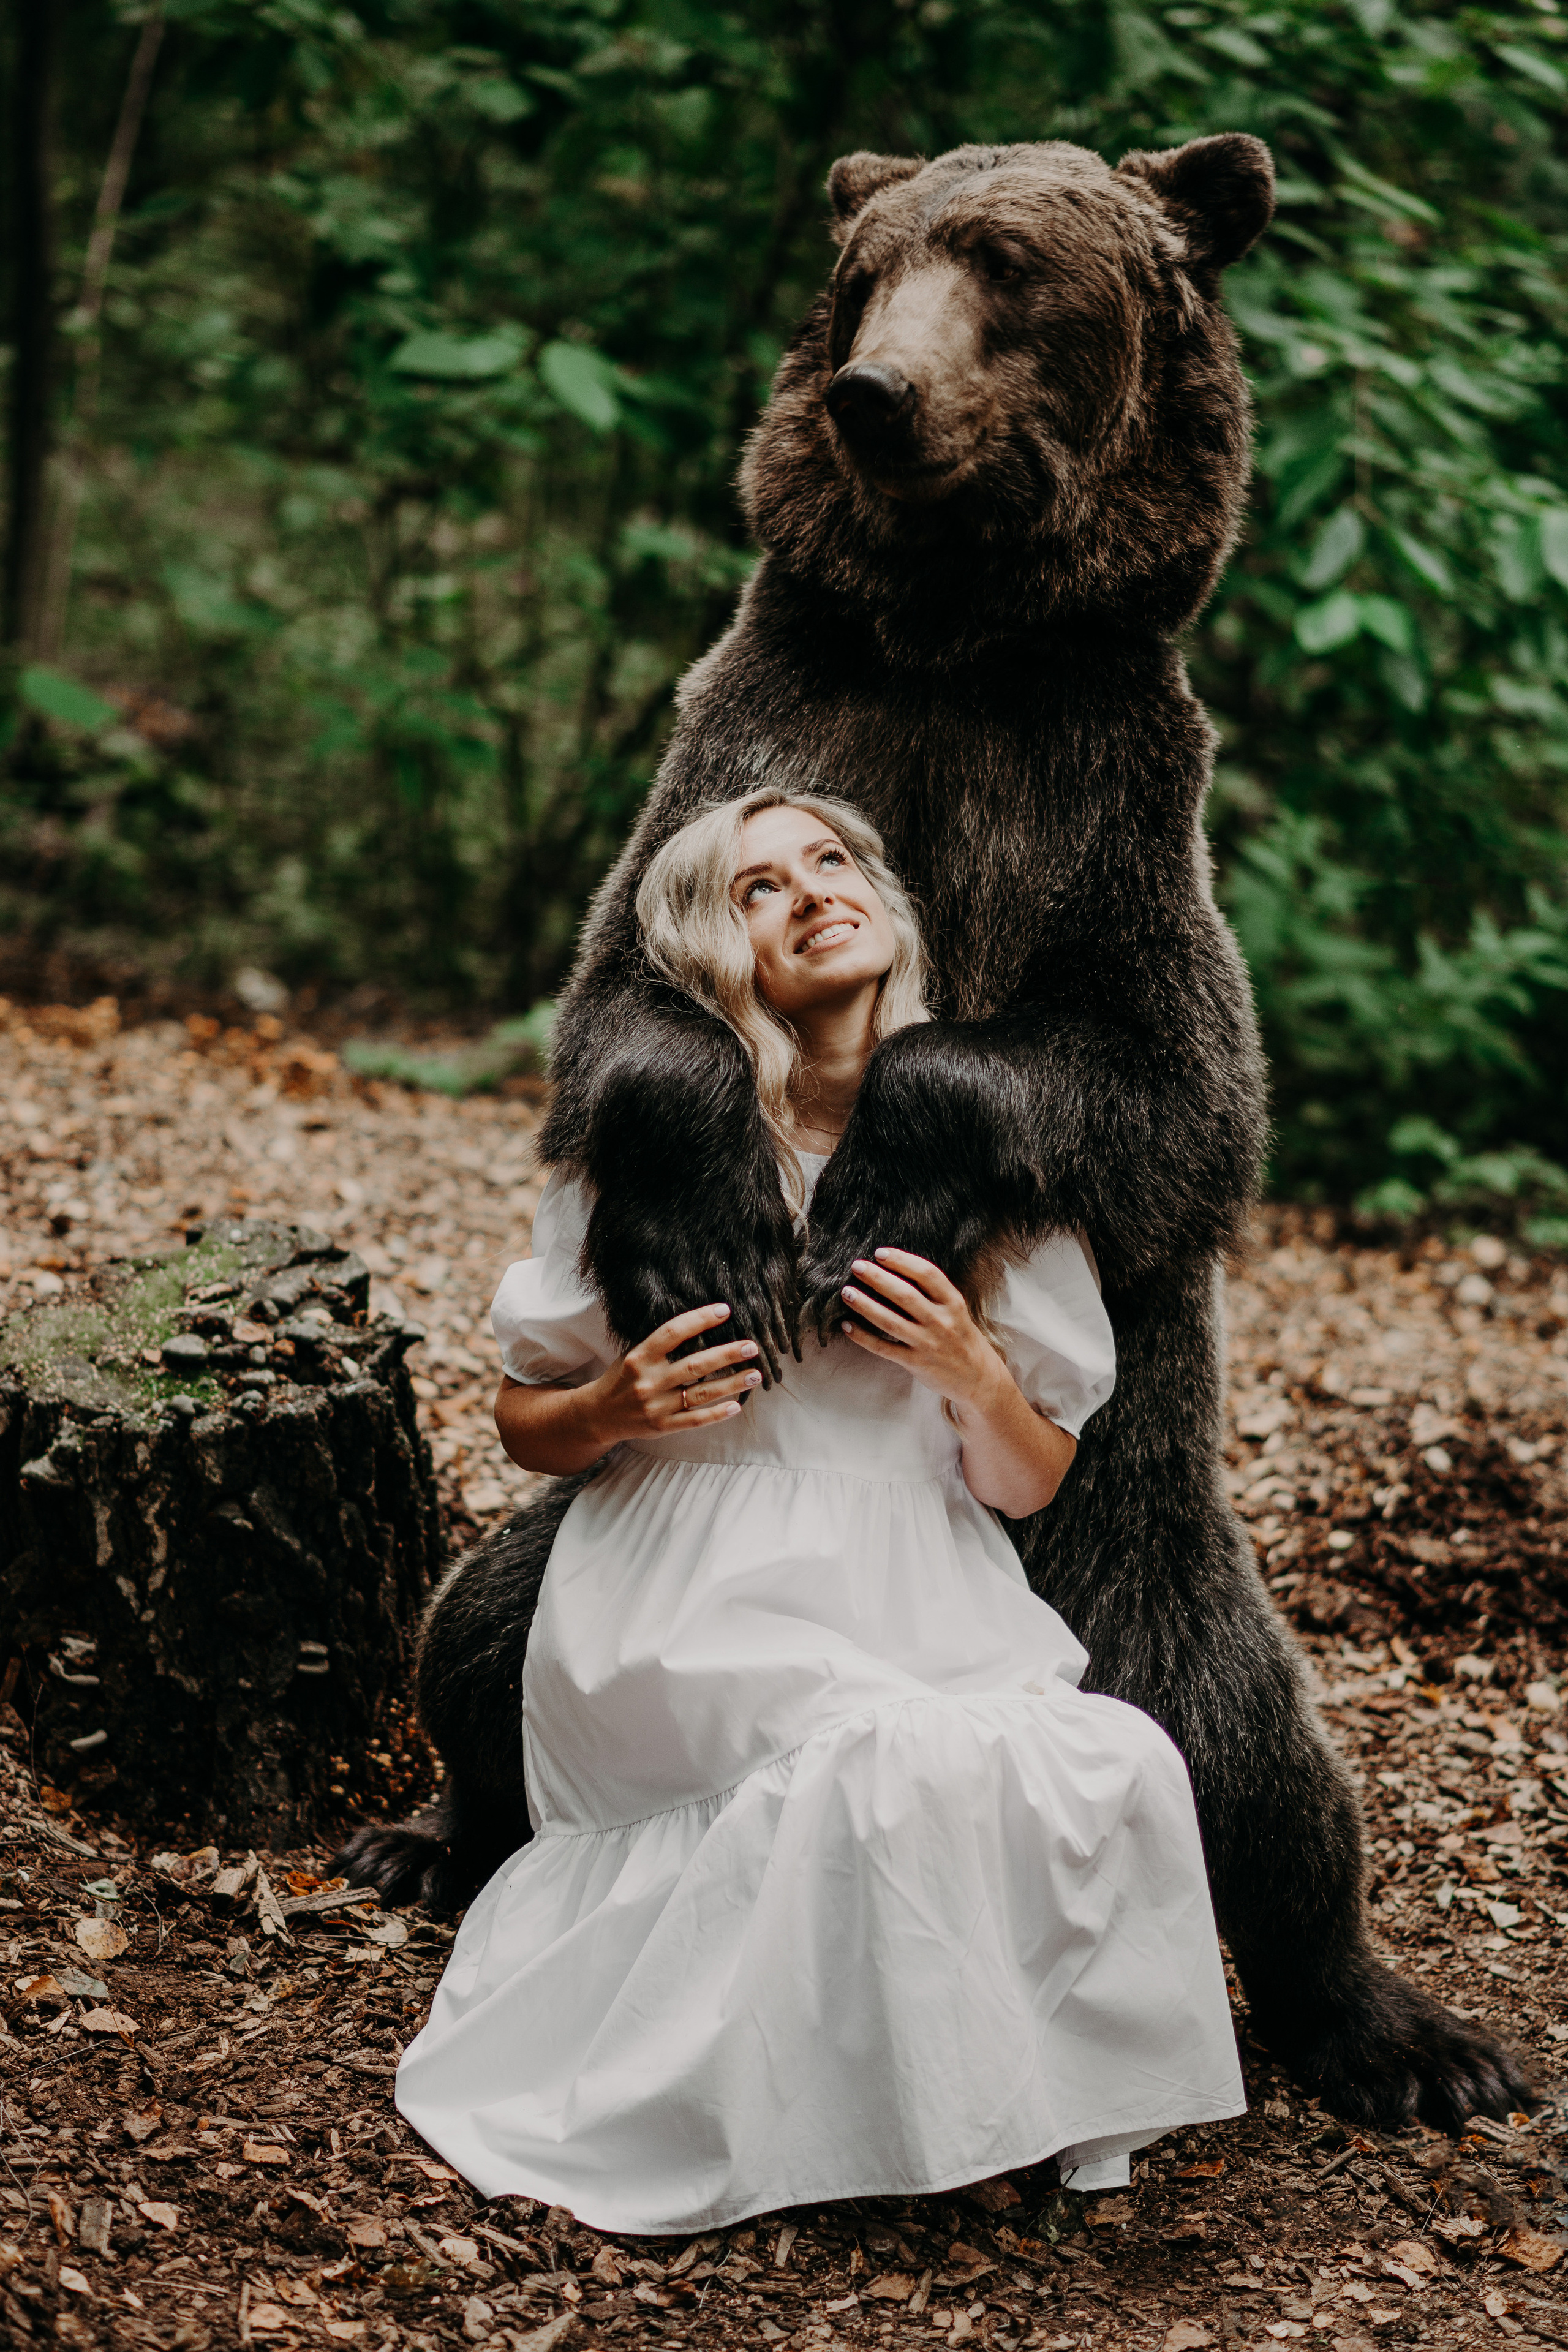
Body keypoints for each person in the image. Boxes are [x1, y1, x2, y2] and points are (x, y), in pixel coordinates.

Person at [395, 786, 1245, 2234]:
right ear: (708, 949)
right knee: (888, 1761)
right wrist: (615, 1407)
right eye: (757, 888)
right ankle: (909, 2121)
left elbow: (1026, 1479)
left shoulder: (987, 1149)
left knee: (1101, 1766)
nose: (809, 894)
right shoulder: (661, 1143)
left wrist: (970, 1370)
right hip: (687, 1576)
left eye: (831, 860)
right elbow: (524, 1415)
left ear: (882, 901)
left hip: (919, 1577)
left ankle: (967, 2096)